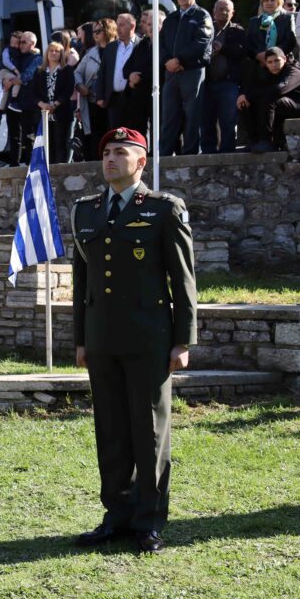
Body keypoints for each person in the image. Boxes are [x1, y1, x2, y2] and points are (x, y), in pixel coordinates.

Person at [72, 126, 197, 554]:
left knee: (149, 431)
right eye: (106, 152)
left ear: (141, 162)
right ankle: (117, 515)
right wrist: (80, 339)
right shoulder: (86, 211)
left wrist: (184, 340)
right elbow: (81, 281)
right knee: (110, 430)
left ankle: (149, 520)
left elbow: (183, 281)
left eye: (121, 152)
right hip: (102, 338)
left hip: (149, 338)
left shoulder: (164, 209)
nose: (110, 158)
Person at [159, 0, 214, 156]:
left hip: (192, 71)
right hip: (171, 73)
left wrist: (180, 60)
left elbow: (201, 42)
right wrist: (167, 61)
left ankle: (190, 153)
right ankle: (165, 155)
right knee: (169, 115)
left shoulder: (201, 16)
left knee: (192, 115)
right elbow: (161, 44)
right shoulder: (171, 18)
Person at [201, 0, 248, 154]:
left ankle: (227, 152)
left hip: (229, 83)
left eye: (227, 9)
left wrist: (223, 49)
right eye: (220, 9)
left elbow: (242, 52)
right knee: (207, 120)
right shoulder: (206, 29)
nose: (223, 12)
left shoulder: (238, 31)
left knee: (228, 120)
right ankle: (208, 152)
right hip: (206, 82)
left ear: (232, 12)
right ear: (213, 11)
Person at [237, 47, 300, 152]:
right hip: (282, 103)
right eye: (270, 62)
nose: (273, 64)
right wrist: (245, 96)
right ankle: (254, 140)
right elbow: (257, 89)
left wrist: (250, 95)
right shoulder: (270, 73)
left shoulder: (295, 72)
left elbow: (279, 89)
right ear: (266, 64)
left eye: (277, 60)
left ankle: (266, 141)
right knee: (246, 102)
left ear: (284, 59)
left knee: (269, 98)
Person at [74, 20, 112, 161]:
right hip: (92, 99)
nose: (95, 35)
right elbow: (77, 73)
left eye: (98, 31)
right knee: (95, 136)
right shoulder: (91, 53)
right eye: (93, 32)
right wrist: (80, 85)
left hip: (112, 100)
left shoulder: (115, 49)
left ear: (108, 31)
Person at [95, 15, 140, 133]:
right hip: (114, 98)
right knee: (115, 133)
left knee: (133, 133)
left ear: (132, 26)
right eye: (117, 25)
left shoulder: (141, 45)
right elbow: (102, 72)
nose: (118, 29)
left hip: (134, 97)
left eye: (122, 25)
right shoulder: (111, 47)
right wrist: (100, 96)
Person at [3, 33, 42, 167]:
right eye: (20, 42)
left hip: (29, 104)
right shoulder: (17, 56)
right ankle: (14, 165)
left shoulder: (37, 58)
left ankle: (31, 165)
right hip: (15, 103)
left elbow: (26, 76)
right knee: (14, 136)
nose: (20, 45)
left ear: (33, 44)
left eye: (24, 42)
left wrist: (11, 82)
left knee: (29, 136)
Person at [122, 10, 163, 137]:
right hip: (139, 95)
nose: (151, 28)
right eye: (149, 25)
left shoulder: (165, 44)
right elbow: (126, 68)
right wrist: (131, 76)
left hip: (157, 93)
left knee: (158, 129)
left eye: (155, 24)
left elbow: (161, 67)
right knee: (137, 130)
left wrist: (140, 77)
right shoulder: (142, 44)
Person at [35, 41, 77, 164]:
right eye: (51, 50)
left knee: (61, 143)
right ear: (46, 53)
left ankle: (61, 172)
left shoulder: (67, 70)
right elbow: (33, 93)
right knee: (48, 145)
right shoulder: (39, 71)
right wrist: (42, 104)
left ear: (61, 54)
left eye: (57, 51)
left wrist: (55, 104)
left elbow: (68, 89)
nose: (53, 53)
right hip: (44, 113)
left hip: (61, 111)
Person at [247, 0, 298, 67]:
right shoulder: (254, 21)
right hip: (260, 64)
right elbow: (249, 43)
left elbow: (290, 41)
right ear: (262, 3)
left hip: (283, 62)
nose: (269, 3)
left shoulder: (288, 18)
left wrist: (273, 56)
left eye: (272, 0)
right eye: (266, 0)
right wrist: (257, 55)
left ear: (279, 2)